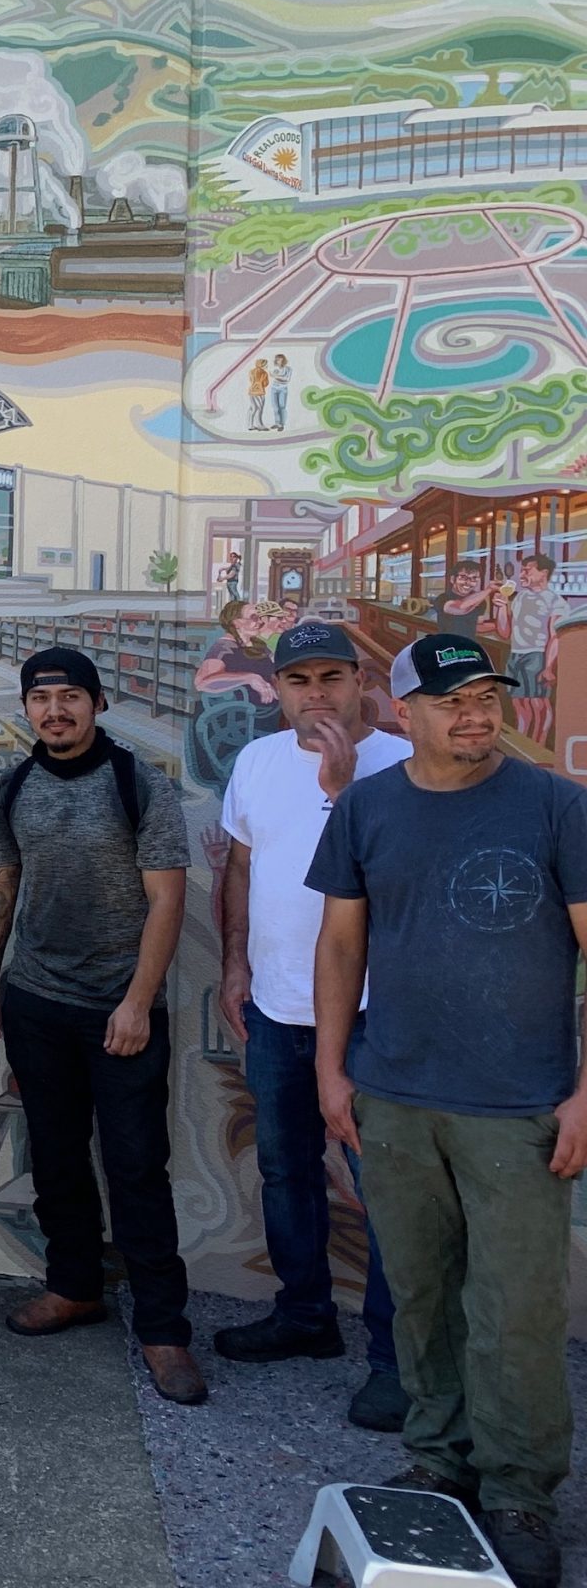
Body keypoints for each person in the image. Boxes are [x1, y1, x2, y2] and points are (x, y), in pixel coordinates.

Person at [313, 633, 587, 1588]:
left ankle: (518, 1492)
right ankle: (440, 1461)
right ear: (404, 713)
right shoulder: (366, 807)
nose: (476, 715)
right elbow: (340, 947)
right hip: (394, 1097)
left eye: (486, 697)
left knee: (514, 1310)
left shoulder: (556, 806)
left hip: (518, 1107)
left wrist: (586, 1094)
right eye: (451, 700)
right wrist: (331, 1071)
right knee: (422, 1296)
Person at [0, 647, 201, 1404]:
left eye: (70, 696)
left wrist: (136, 1002)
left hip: (120, 1010)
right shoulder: (15, 787)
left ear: (97, 704)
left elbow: (168, 900)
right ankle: (73, 1287)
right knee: (57, 1159)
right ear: (26, 708)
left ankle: (164, 1330)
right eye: (41, 698)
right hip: (36, 1004)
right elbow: (0, 881)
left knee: (137, 1168)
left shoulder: (139, 784)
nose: (55, 710)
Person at [211, 621, 408, 1429]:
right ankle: (305, 1316)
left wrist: (343, 782)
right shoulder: (256, 762)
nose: (316, 693)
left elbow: (393, 880)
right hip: (276, 1007)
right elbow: (241, 867)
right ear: (278, 688)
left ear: (362, 681)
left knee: (387, 1192)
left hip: (371, 1017)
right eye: (300, 679)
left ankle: (397, 1361)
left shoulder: (403, 763)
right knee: (287, 1170)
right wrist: (235, 963)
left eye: (333, 677)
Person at [503, 552, 559, 701]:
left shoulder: (554, 601)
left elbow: (555, 637)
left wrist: (548, 667)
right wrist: (501, 606)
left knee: (537, 702)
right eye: (521, 570)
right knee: (517, 701)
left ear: (544, 573)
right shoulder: (520, 597)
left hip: (537, 656)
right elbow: (505, 632)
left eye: (526, 571)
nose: (521, 575)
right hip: (514, 654)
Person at [433, 560, 490, 637]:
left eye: (474, 578)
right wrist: (489, 590)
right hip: (447, 643)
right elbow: (460, 607)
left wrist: (501, 607)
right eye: (463, 577)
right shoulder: (442, 598)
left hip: (468, 643)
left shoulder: (480, 602)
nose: (468, 582)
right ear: (452, 579)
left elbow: (478, 626)